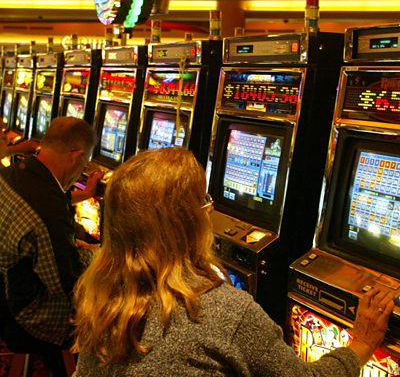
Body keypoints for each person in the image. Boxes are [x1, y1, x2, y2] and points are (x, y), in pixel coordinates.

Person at [72, 147, 395, 377]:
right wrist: (362, 344)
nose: (211, 209)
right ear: (186, 223)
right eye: (203, 201)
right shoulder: (224, 311)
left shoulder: (102, 297)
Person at [0, 116, 98, 376]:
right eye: (86, 162)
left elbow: (47, 199)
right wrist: (96, 256)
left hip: (8, 295)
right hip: (27, 317)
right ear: (76, 157)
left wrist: (67, 243)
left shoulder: (13, 173)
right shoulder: (48, 213)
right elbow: (69, 282)